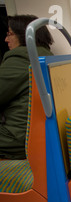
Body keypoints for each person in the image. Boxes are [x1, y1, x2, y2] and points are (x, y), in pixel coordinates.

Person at [0, 15, 53, 160]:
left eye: (9, 34)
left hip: (16, 136)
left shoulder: (19, 60)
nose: (6, 39)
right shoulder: (47, 56)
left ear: (23, 36)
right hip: (39, 133)